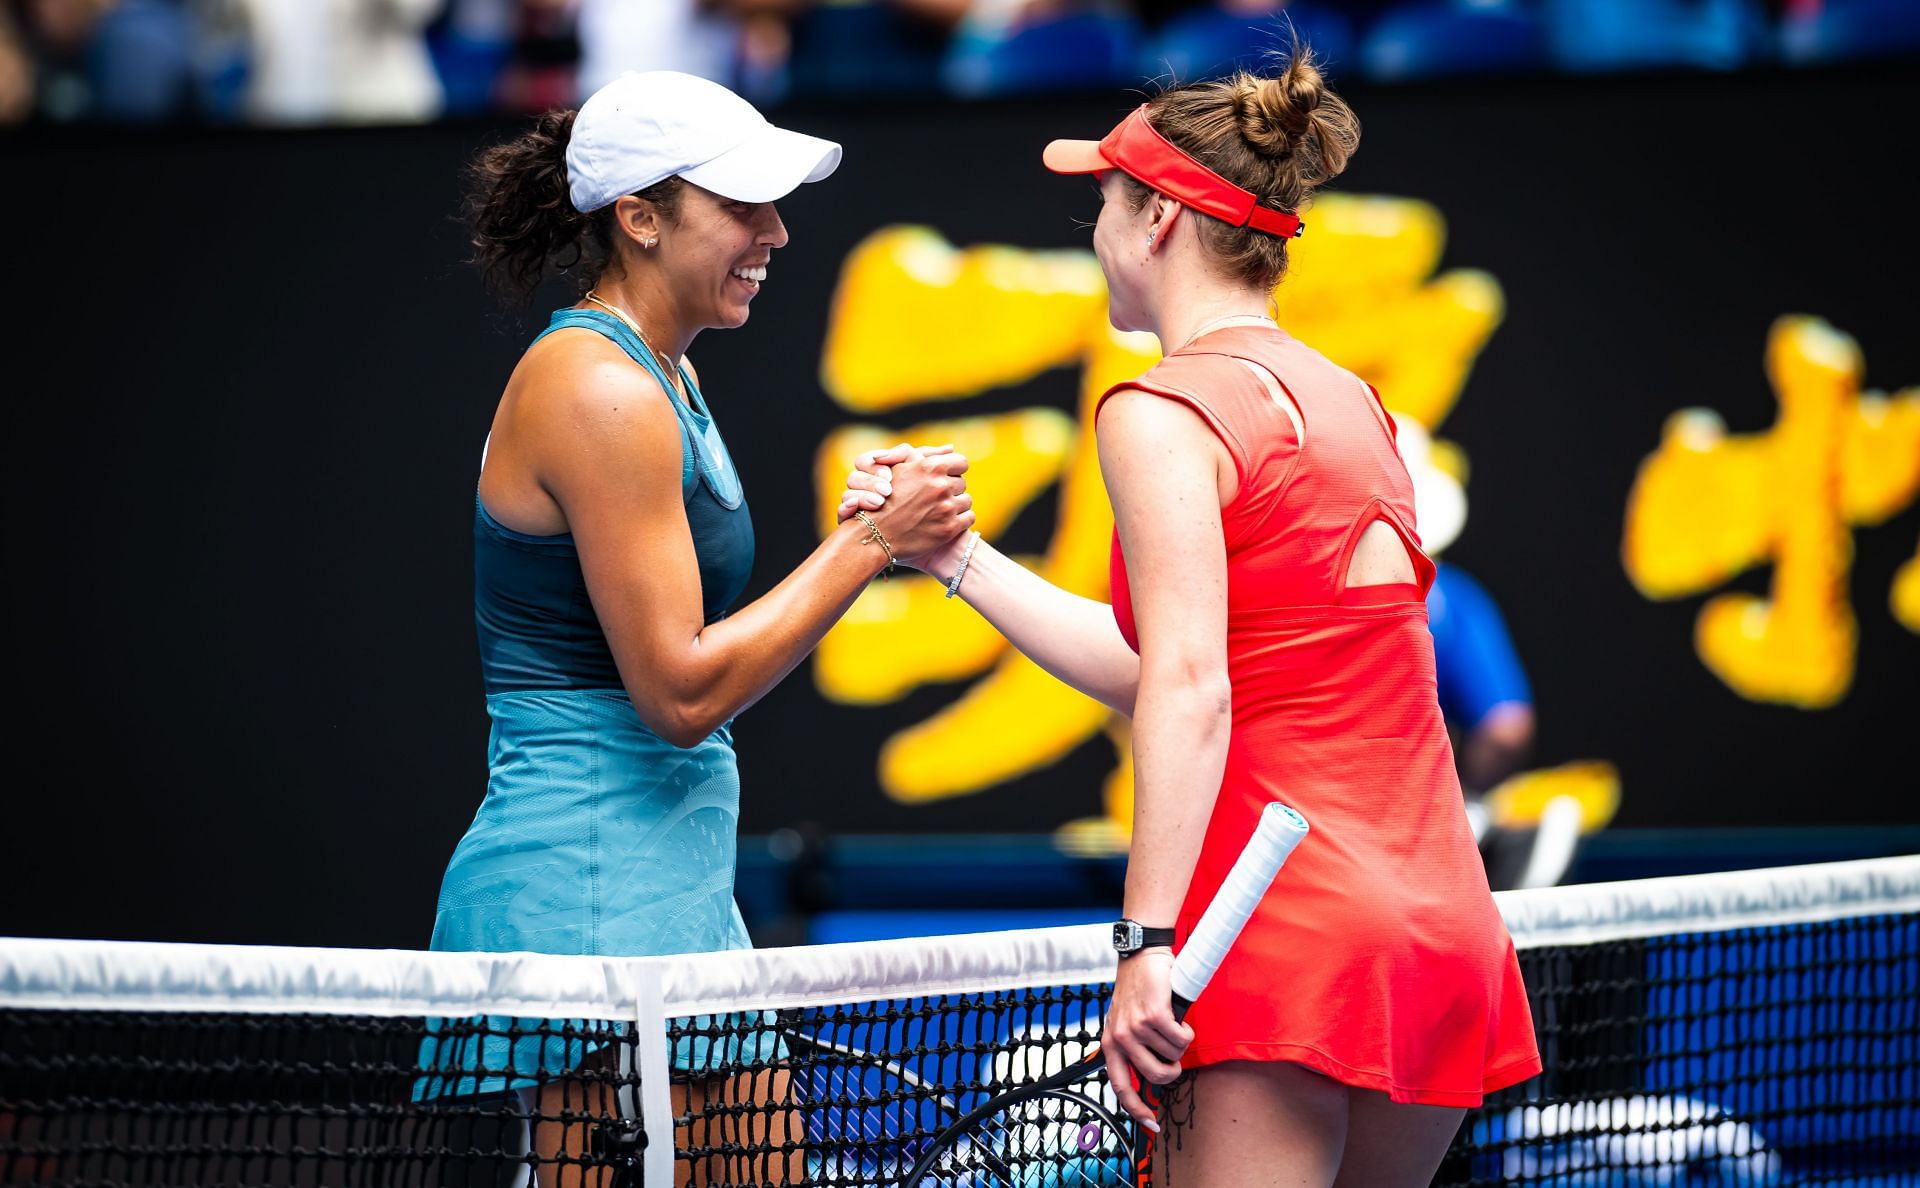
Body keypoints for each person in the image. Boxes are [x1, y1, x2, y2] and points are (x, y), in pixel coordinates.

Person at [840, 49, 1539, 1183]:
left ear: (1159, 217)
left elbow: (1187, 689)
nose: (1097, 232)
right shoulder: (1354, 403)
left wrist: (1145, 947)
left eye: (1106, 205)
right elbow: (1166, 661)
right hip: (1439, 926)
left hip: (1287, 926)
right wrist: (956, 557)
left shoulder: (1160, 408)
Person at [426, 69, 974, 1185]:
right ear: (638, 217)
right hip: (581, 882)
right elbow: (679, 694)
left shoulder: (664, 371)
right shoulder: (600, 389)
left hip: (673, 879)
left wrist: (862, 529)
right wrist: (870, 546)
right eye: (741, 206)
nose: (775, 231)